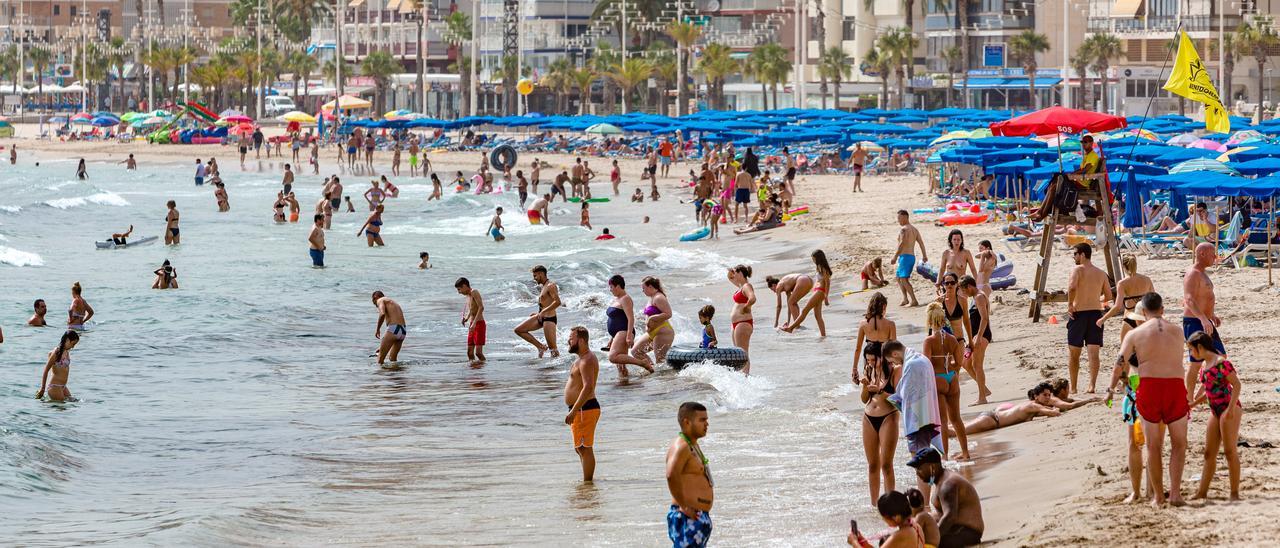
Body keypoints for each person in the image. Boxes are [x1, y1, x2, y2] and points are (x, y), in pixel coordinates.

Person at [1119, 292, 1190, 507]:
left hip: (1145, 387)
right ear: (1162, 308)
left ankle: (1156, 495)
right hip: (1165, 387)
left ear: (1143, 310)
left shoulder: (1135, 330)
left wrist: (1110, 388)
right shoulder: (1174, 330)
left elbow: (1120, 361)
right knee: (1171, 444)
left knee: (1151, 445)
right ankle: (1157, 493)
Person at [1189, 331, 1242, 501]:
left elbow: (1237, 385)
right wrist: (1193, 404)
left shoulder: (1221, 363)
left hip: (1229, 407)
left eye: (1191, 350)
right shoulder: (1206, 366)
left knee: (1229, 451)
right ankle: (1202, 492)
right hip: (1215, 410)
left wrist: (1231, 409)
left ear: (1199, 347)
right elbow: (1210, 391)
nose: (1190, 354)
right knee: (1208, 453)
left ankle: (1234, 494)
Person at [856, 323, 903, 505]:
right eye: (867, 360)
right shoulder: (868, 370)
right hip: (869, 417)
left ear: (881, 358)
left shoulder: (893, 371)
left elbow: (899, 398)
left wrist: (881, 391)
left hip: (888, 416)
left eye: (873, 360)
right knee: (873, 464)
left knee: (886, 464)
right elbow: (864, 399)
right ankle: (874, 504)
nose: (870, 363)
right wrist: (866, 387)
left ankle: (889, 503)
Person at [887, 341, 942, 496]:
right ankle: (929, 499)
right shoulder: (922, 358)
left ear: (895, 354)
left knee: (921, 463)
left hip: (918, 419)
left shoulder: (911, 364)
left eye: (893, 361)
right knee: (927, 460)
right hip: (927, 414)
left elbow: (905, 393)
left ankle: (925, 504)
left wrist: (893, 398)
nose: (895, 364)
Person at [907, 447, 984, 548]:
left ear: (932, 466)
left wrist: (932, 537)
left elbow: (950, 517)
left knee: (926, 544)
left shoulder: (947, 485)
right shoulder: (942, 478)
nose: (917, 472)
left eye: (919, 468)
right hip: (959, 529)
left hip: (967, 532)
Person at [924, 302, 969, 460]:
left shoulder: (929, 341)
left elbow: (926, 365)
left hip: (938, 379)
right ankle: (966, 453)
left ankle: (945, 457)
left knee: (942, 421)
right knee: (956, 419)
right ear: (943, 320)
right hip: (952, 378)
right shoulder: (951, 339)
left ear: (930, 321)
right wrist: (948, 364)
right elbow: (958, 363)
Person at [666, 402, 714, 548]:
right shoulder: (681, 446)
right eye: (702, 420)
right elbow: (671, 474)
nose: (707, 424)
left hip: (698, 516)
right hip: (687, 516)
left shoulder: (693, 445)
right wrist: (683, 505)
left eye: (706, 419)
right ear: (687, 422)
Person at [1067, 243, 1113, 394]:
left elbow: (1072, 287)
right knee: (1093, 353)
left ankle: (1073, 388)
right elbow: (1109, 296)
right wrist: (1095, 299)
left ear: (1082, 255)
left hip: (1079, 314)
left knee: (1074, 353)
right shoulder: (1100, 273)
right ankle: (1092, 386)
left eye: (1075, 254)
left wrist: (1069, 305)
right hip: (1095, 314)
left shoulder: (1077, 270)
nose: (1073, 257)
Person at [1031, 134, 1103, 222]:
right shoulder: (1087, 155)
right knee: (1055, 181)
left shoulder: (1093, 155)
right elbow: (1082, 169)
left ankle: (1042, 212)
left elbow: (1085, 170)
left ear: (1091, 143)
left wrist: (1072, 174)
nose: (1083, 144)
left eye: (1085, 142)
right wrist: (1072, 174)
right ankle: (1041, 212)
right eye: (1082, 142)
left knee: (1057, 183)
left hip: (1082, 183)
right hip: (1078, 180)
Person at [1183, 242, 1224, 396]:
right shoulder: (1193, 273)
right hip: (1194, 321)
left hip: (1204, 320)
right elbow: (1189, 299)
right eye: (1212, 253)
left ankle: (1200, 395)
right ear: (1201, 254)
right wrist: (1203, 318)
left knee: (1220, 357)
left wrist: (1211, 315)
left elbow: (1204, 297)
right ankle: (1189, 397)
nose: (1215, 257)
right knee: (1196, 362)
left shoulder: (1203, 273)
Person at [563, 326, 601, 482]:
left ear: (581, 340)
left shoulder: (587, 360)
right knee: (580, 448)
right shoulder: (581, 360)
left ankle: (588, 484)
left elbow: (588, 387)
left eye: (571, 338)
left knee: (584, 448)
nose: (568, 341)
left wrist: (574, 411)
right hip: (580, 409)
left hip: (585, 408)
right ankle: (587, 481)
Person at [953, 383, 1062, 435]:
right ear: (1036, 396)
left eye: (1049, 395)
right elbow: (1053, 413)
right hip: (991, 420)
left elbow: (1043, 412)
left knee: (958, 427)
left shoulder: (1033, 407)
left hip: (991, 418)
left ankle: (938, 429)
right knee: (957, 432)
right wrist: (1056, 409)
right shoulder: (1034, 405)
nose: (1048, 398)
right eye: (1045, 395)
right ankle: (938, 433)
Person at [603, 275, 653, 376]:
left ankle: (642, 363)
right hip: (617, 334)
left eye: (611, 287)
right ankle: (625, 385)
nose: (610, 290)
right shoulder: (616, 299)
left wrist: (629, 335)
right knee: (620, 366)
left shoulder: (626, 299)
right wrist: (612, 338)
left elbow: (631, 318)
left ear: (617, 286)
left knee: (613, 357)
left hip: (624, 331)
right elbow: (614, 319)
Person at [513, 265, 561, 358]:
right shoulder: (543, 286)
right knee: (519, 330)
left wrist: (543, 312)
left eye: (535, 276)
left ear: (541, 274)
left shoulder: (551, 286)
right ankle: (540, 347)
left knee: (553, 350)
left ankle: (556, 371)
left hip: (549, 319)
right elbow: (544, 303)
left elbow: (557, 302)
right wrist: (539, 313)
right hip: (541, 317)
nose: (534, 279)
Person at [782, 250, 833, 336]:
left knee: (805, 310)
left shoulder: (823, 268)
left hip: (820, 291)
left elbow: (827, 282)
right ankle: (823, 336)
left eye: (814, 259)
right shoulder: (819, 267)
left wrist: (826, 297)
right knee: (818, 316)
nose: (813, 260)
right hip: (818, 291)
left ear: (818, 258)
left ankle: (790, 328)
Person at [958, 276, 992, 404]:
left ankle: (982, 398)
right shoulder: (975, 297)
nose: (964, 293)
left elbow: (984, 318)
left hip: (981, 335)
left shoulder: (979, 296)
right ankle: (984, 389)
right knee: (965, 363)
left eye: (964, 290)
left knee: (977, 365)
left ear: (969, 287)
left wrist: (978, 336)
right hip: (975, 336)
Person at [631, 277, 676, 366]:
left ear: (650, 286)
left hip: (663, 332)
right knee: (636, 352)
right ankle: (651, 369)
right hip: (651, 333)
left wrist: (652, 318)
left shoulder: (659, 297)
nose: (642, 291)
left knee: (660, 362)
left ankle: (664, 377)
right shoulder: (652, 297)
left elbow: (668, 314)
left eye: (644, 288)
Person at [892, 210, 928, 307]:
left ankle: (914, 300)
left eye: (899, 218)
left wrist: (895, 256)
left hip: (905, 257)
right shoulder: (914, 229)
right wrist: (924, 255)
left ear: (905, 217)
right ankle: (905, 299)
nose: (898, 220)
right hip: (910, 257)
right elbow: (921, 243)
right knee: (899, 278)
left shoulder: (904, 229)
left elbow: (902, 243)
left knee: (904, 279)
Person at [727, 265, 757, 375]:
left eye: (735, 272)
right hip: (736, 323)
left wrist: (746, 307)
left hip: (743, 323)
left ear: (740, 273)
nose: (733, 275)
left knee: (743, 353)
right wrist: (730, 271)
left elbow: (752, 298)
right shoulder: (740, 286)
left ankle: (746, 376)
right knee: (738, 353)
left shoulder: (746, 286)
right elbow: (730, 278)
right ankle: (742, 375)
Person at [36, 331, 81, 402]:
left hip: (63, 386)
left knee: (75, 402)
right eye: (73, 344)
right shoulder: (56, 352)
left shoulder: (66, 352)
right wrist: (42, 388)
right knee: (62, 409)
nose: (73, 347)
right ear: (67, 340)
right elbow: (46, 370)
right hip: (54, 387)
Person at [371, 291, 407, 366]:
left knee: (380, 360)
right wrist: (382, 346)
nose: (375, 304)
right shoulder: (392, 301)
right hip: (403, 330)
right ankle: (395, 376)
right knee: (393, 360)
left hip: (393, 329)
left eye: (373, 301)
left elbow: (382, 313)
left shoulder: (380, 300)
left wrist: (377, 329)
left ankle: (380, 377)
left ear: (375, 297)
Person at [456, 277, 486, 365]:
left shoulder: (474, 292)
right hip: (472, 324)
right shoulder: (468, 296)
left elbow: (481, 307)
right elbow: (472, 309)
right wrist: (466, 318)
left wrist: (474, 323)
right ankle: (474, 370)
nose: (459, 292)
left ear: (464, 286)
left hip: (479, 324)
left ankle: (484, 368)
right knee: (469, 353)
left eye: (459, 289)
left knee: (478, 353)